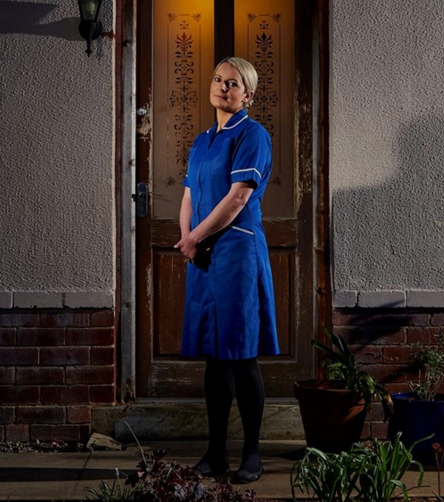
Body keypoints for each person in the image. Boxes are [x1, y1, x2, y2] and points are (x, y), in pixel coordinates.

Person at [173, 56, 279, 484]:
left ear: (247, 95)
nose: (222, 87)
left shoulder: (253, 135)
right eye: (218, 79)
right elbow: (188, 194)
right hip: (202, 254)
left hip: (236, 253)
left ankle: (251, 454)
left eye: (233, 83)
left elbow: (237, 198)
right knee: (215, 358)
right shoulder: (201, 141)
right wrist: (188, 238)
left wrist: (195, 238)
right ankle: (215, 452)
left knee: (240, 354)